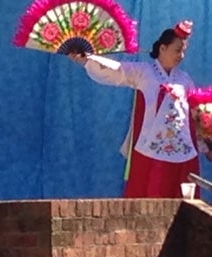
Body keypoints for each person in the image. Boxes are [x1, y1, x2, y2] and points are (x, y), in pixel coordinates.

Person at [68, 20, 212, 198]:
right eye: (177, 50)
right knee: (151, 196)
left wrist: (207, 145)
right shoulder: (144, 72)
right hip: (151, 149)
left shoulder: (185, 79)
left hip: (182, 151)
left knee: (183, 201)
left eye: (183, 51)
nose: (181, 55)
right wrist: (87, 59)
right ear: (163, 48)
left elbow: (195, 116)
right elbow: (117, 70)